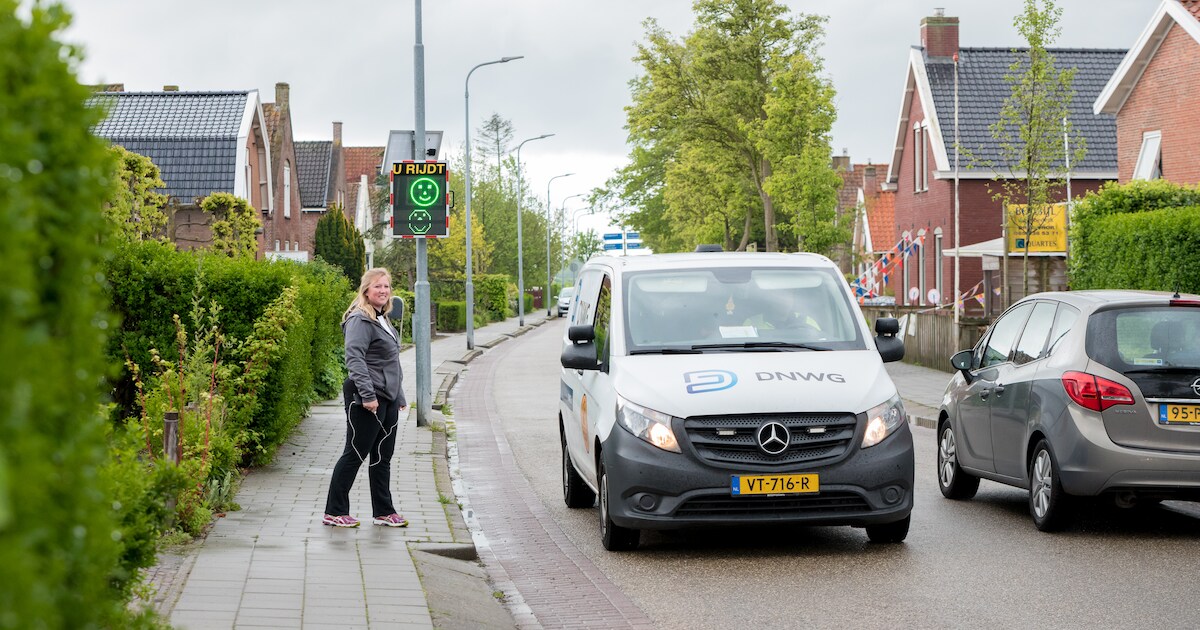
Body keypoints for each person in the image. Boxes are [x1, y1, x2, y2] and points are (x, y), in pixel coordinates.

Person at [322, 268, 409, 528]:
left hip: (388, 397)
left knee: (382, 456)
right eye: (377, 286)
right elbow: (355, 360)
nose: (383, 290)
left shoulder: (383, 318)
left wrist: (399, 395)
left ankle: (383, 511)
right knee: (355, 453)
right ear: (366, 291)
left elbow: (391, 359)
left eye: (386, 286)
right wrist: (368, 395)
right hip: (366, 397)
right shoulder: (360, 319)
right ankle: (334, 511)